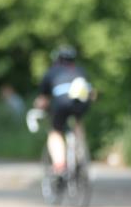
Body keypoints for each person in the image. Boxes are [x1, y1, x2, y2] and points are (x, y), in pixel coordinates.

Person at [33, 44, 94, 174]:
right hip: (82, 102)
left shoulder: (51, 72)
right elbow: (92, 94)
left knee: (55, 132)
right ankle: (80, 153)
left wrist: (38, 107)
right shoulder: (80, 70)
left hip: (61, 103)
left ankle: (60, 165)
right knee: (77, 122)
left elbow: (42, 100)